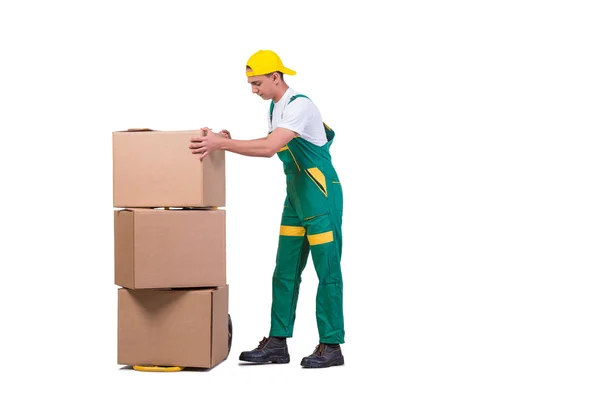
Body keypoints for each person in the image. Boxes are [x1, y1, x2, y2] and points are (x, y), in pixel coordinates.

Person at [189, 50, 344, 368]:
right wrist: (224, 139)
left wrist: (222, 145)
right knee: (285, 271)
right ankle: (277, 343)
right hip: (297, 197)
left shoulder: (300, 105)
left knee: (327, 273)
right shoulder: (276, 107)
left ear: (276, 77)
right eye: (250, 83)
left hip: (320, 194)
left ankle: (331, 346)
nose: (253, 89)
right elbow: (268, 140)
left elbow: (269, 148)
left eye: (257, 83)